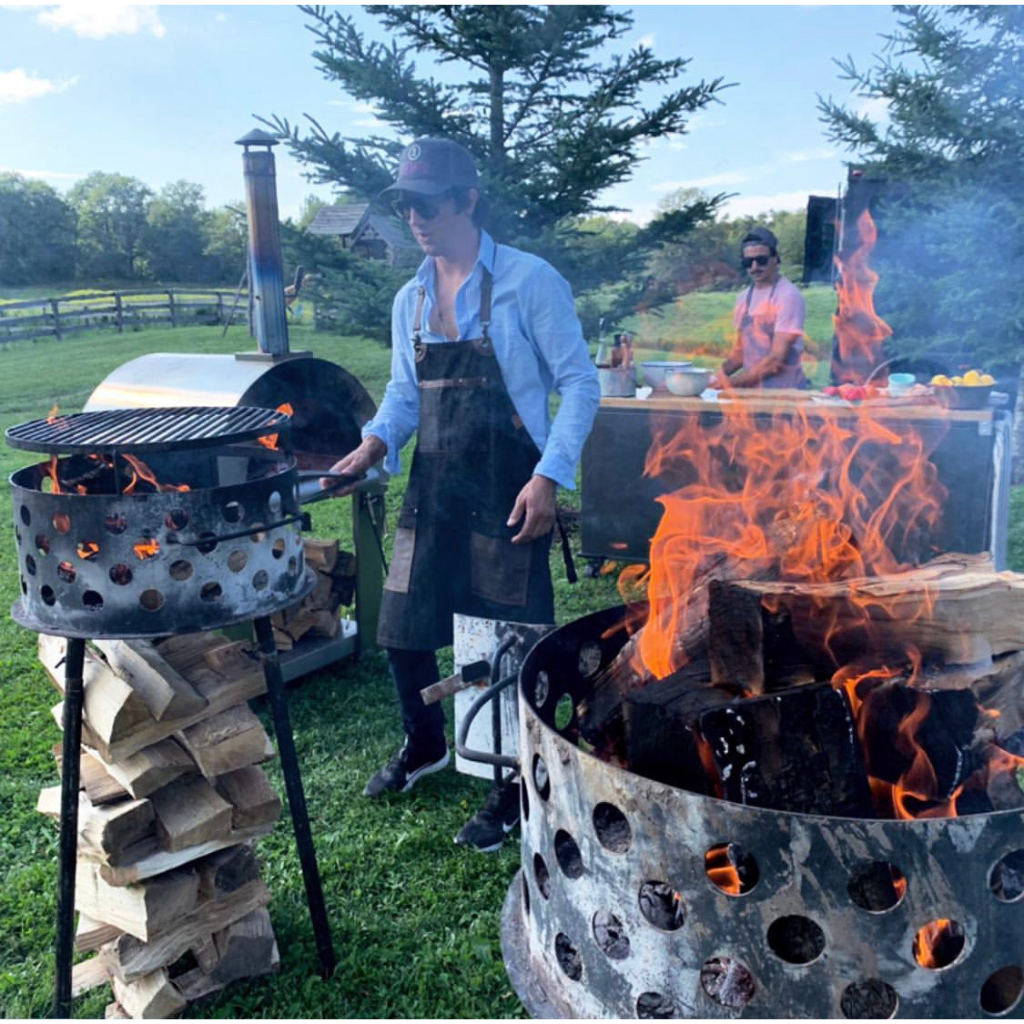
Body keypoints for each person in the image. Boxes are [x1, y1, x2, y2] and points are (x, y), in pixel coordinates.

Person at [324, 138, 600, 851]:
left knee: (505, 639)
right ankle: (426, 745)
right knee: (402, 627)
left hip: (511, 487)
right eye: (404, 204)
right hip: (435, 484)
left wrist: (549, 476)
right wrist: (375, 442)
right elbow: (403, 395)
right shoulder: (409, 297)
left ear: (467, 200)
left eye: (428, 202)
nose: (415, 217)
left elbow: (580, 383)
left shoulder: (528, 281)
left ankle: (511, 784)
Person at [710, 226, 808, 389]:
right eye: (748, 262)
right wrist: (711, 378)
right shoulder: (743, 298)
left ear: (775, 258)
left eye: (761, 260)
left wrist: (731, 384)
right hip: (752, 391)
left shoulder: (788, 296)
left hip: (785, 394)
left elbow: (776, 360)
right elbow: (739, 355)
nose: (754, 267)